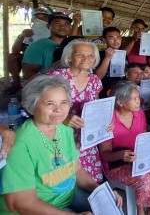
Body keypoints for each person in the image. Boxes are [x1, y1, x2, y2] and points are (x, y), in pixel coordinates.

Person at [0, 75, 122, 214]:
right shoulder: (20, 143)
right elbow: (21, 203)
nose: (59, 109)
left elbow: (75, 168)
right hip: (37, 207)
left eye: (64, 102)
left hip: (67, 196)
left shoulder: (63, 129)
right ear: (31, 107)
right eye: (49, 104)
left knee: (112, 209)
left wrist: (102, 192)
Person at [99, 81, 150, 215]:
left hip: (139, 158)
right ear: (120, 103)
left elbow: (143, 137)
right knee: (145, 180)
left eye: (138, 97)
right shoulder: (108, 121)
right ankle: (140, 212)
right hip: (116, 164)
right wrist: (121, 155)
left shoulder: (139, 114)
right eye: (134, 99)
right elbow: (104, 154)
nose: (139, 101)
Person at [47, 39, 105, 182]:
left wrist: (104, 124)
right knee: (64, 182)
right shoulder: (55, 77)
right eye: (80, 55)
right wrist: (64, 118)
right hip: (60, 136)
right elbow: (40, 106)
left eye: (91, 55)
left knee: (89, 184)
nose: (86, 59)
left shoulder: (95, 80)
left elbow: (96, 108)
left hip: (86, 139)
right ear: (69, 58)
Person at [5, 8, 50, 94]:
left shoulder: (53, 32)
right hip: (28, 59)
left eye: (43, 17)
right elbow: (15, 51)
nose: (40, 19)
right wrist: (22, 37)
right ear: (33, 19)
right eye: (37, 17)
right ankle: (16, 83)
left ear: (48, 19)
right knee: (12, 57)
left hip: (46, 59)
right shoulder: (27, 33)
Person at [22, 12, 72, 80]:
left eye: (66, 24)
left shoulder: (75, 45)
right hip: (47, 85)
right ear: (48, 26)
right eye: (57, 23)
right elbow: (28, 74)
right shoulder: (36, 46)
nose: (62, 26)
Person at [94, 26, 125, 98]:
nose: (116, 40)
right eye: (111, 38)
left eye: (118, 37)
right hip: (104, 92)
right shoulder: (99, 54)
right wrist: (107, 58)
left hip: (120, 92)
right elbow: (97, 77)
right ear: (104, 40)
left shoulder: (123, 55)